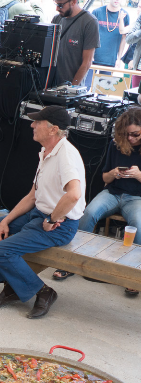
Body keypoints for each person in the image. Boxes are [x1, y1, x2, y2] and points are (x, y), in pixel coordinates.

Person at [0, 105, 85, 319]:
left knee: (0, 251)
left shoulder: (66, 156)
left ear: (53, 129)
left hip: (60, 225)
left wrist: (53, 219)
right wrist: (5, 219)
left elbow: (74, 194)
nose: (32, 125)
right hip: (38, 213)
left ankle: (44, 292)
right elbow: (32, 196)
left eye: (38, 122)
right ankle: (13, 287)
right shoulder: (46, 152)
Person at [53, 107, 141, 295]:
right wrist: (114, 173)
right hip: (113, 192)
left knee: (138, 224)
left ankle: (133, 275)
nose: (131, 139)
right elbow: (105, 178)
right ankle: (70, 261)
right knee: (89, 213)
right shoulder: (115, 144)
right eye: (127, 135)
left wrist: (139, 175)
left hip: (136, 197)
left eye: (135, 134)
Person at [49, 0, 100, 86]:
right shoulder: (57, 19)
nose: (57, 8)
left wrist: (72, 87)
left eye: (61, 5)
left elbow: (87, 62)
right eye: (56, 4)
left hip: (71, 88)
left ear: (73, 2)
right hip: (51, 84)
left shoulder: (89, 22)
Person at [92, 0, 130, 70]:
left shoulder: (125, 15)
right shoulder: (97, 12)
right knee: (87, 83)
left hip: (110, 60)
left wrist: (119, 59)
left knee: (105, 83)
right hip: (93, 58)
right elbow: (89, 35)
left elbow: (124, 39)